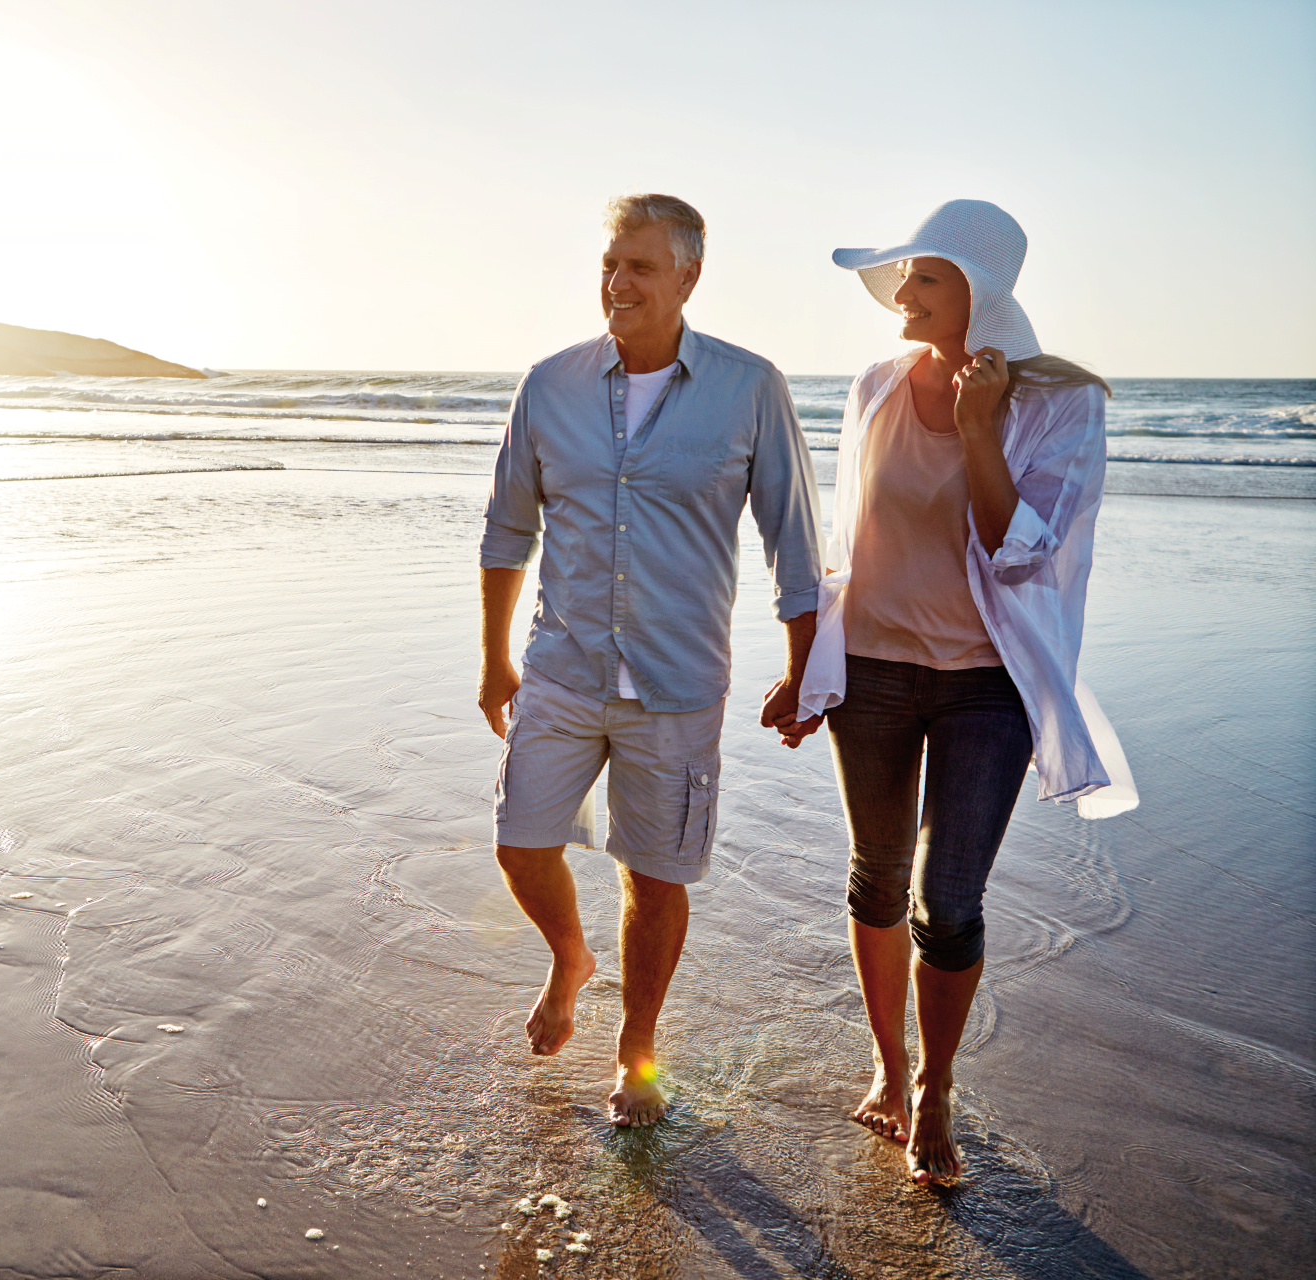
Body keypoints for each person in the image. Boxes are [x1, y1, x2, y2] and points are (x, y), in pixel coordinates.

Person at [794, 199, 1138, 1184]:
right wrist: (807, 665)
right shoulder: (874, 387)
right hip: (871, 672)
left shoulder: (1065, 406)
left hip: (987, 682)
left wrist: (982, 429)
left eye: (925, 276)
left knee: (947, 899)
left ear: (977, 295)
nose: (902, 291)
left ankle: (939, 1084)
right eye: (903, 273)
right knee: (875, 876)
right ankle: (890, 1068)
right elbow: (845, 544)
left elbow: (1023, 556)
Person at [478, 194, 823, 1127]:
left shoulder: (750, 387)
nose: (617, 282)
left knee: (656, 877)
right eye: (608, 264)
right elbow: (508, 531)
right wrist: (493, 660)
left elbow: (794, 538)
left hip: (676, 683)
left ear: (688, 277)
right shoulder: (549, 384)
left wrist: (805, 670)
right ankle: (569, 957)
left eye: (638, 266)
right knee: (520, 843)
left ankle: (637, 1056)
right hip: (561, 666)